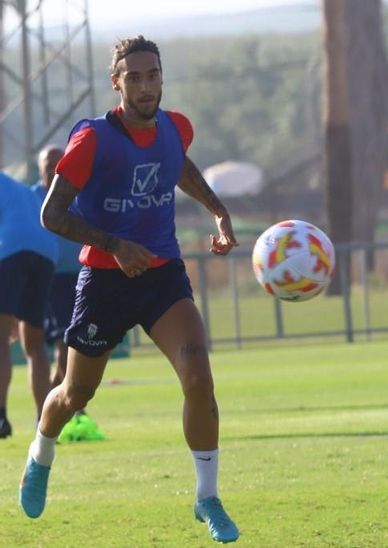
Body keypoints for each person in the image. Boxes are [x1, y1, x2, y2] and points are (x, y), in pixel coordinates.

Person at [20, 36, 242, 543]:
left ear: (162, 77)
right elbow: (51, 214)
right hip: (104, 279)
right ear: (116, 81)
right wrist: (113, 244)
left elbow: (177, 164)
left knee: (198, 377)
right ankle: (40, 454)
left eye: (154, 75)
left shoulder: (175, 127)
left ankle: (206, 497)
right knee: (75, 393)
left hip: (163, 273)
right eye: (135, 77)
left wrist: (218, 209)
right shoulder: (92, 140)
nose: (146, 86)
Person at [31, 145, 106, 441]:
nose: (53, 167)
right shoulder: (32, 197)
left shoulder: (76, 191)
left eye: (57, 161)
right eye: (47, 163)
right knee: (65, 343)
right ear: (39, 169)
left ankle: (63, 404)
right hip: (49, 279)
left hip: (81, 277)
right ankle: (60, 407)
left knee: (76, 345)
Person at [0, 171, 58, 440]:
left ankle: (0, 417)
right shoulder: (18, 187)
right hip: (46, 252)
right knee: (35, 343)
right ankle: (43, 422)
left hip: (13, 249)